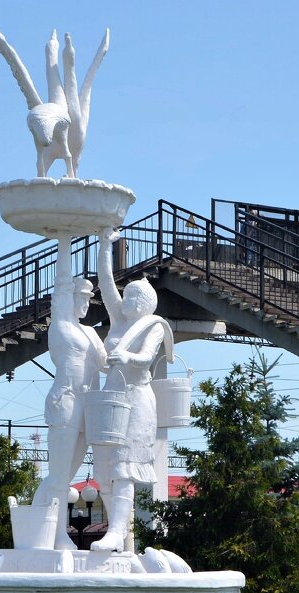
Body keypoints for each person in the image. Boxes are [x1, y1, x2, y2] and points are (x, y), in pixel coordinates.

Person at [91, 228, 174, 551]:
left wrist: (125, 355)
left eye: (131, 297)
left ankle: (115, 533)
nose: (123, 300)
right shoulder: (119, 318)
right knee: (105, 466)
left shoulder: (152, 326)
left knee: (124, 467)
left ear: (144, 303)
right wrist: (103, 245)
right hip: (110, 400)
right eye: (125, 297)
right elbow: (106, 281)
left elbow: (145, 359)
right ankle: (120, 535)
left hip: (137, 401)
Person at [31, 259, 107, 549]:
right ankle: (55, 533)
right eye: (80, 298)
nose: (86, 304)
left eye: (89, 299)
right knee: (60, 475)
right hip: (66, 400)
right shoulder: (61, 326)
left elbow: (106, 362)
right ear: (68, 298)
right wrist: (65, 239)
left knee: (64, 475)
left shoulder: (89, 332)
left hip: (88, 406)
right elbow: (61, 283)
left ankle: (38, 525)